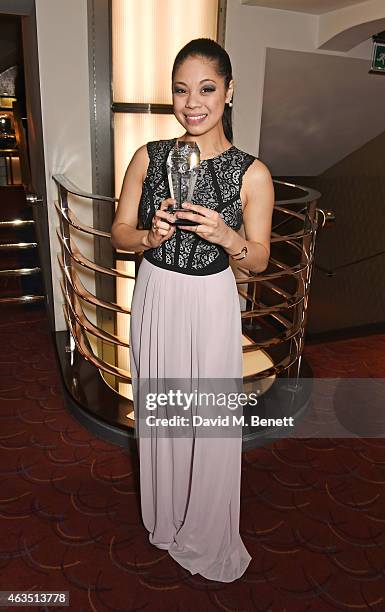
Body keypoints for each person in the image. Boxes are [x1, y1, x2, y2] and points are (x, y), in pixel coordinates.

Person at [111, 38, 274, 582]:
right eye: (181, 89)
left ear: (228, 91)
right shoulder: (149, 156)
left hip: (209, 302)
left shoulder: (253, 174)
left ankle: (204, 526)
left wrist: (228, 237)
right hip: (157, 292)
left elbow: (257, 262)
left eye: (206, 88)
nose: (192, 101)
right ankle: (164, 516)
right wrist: (147, 239)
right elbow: (118, 233)